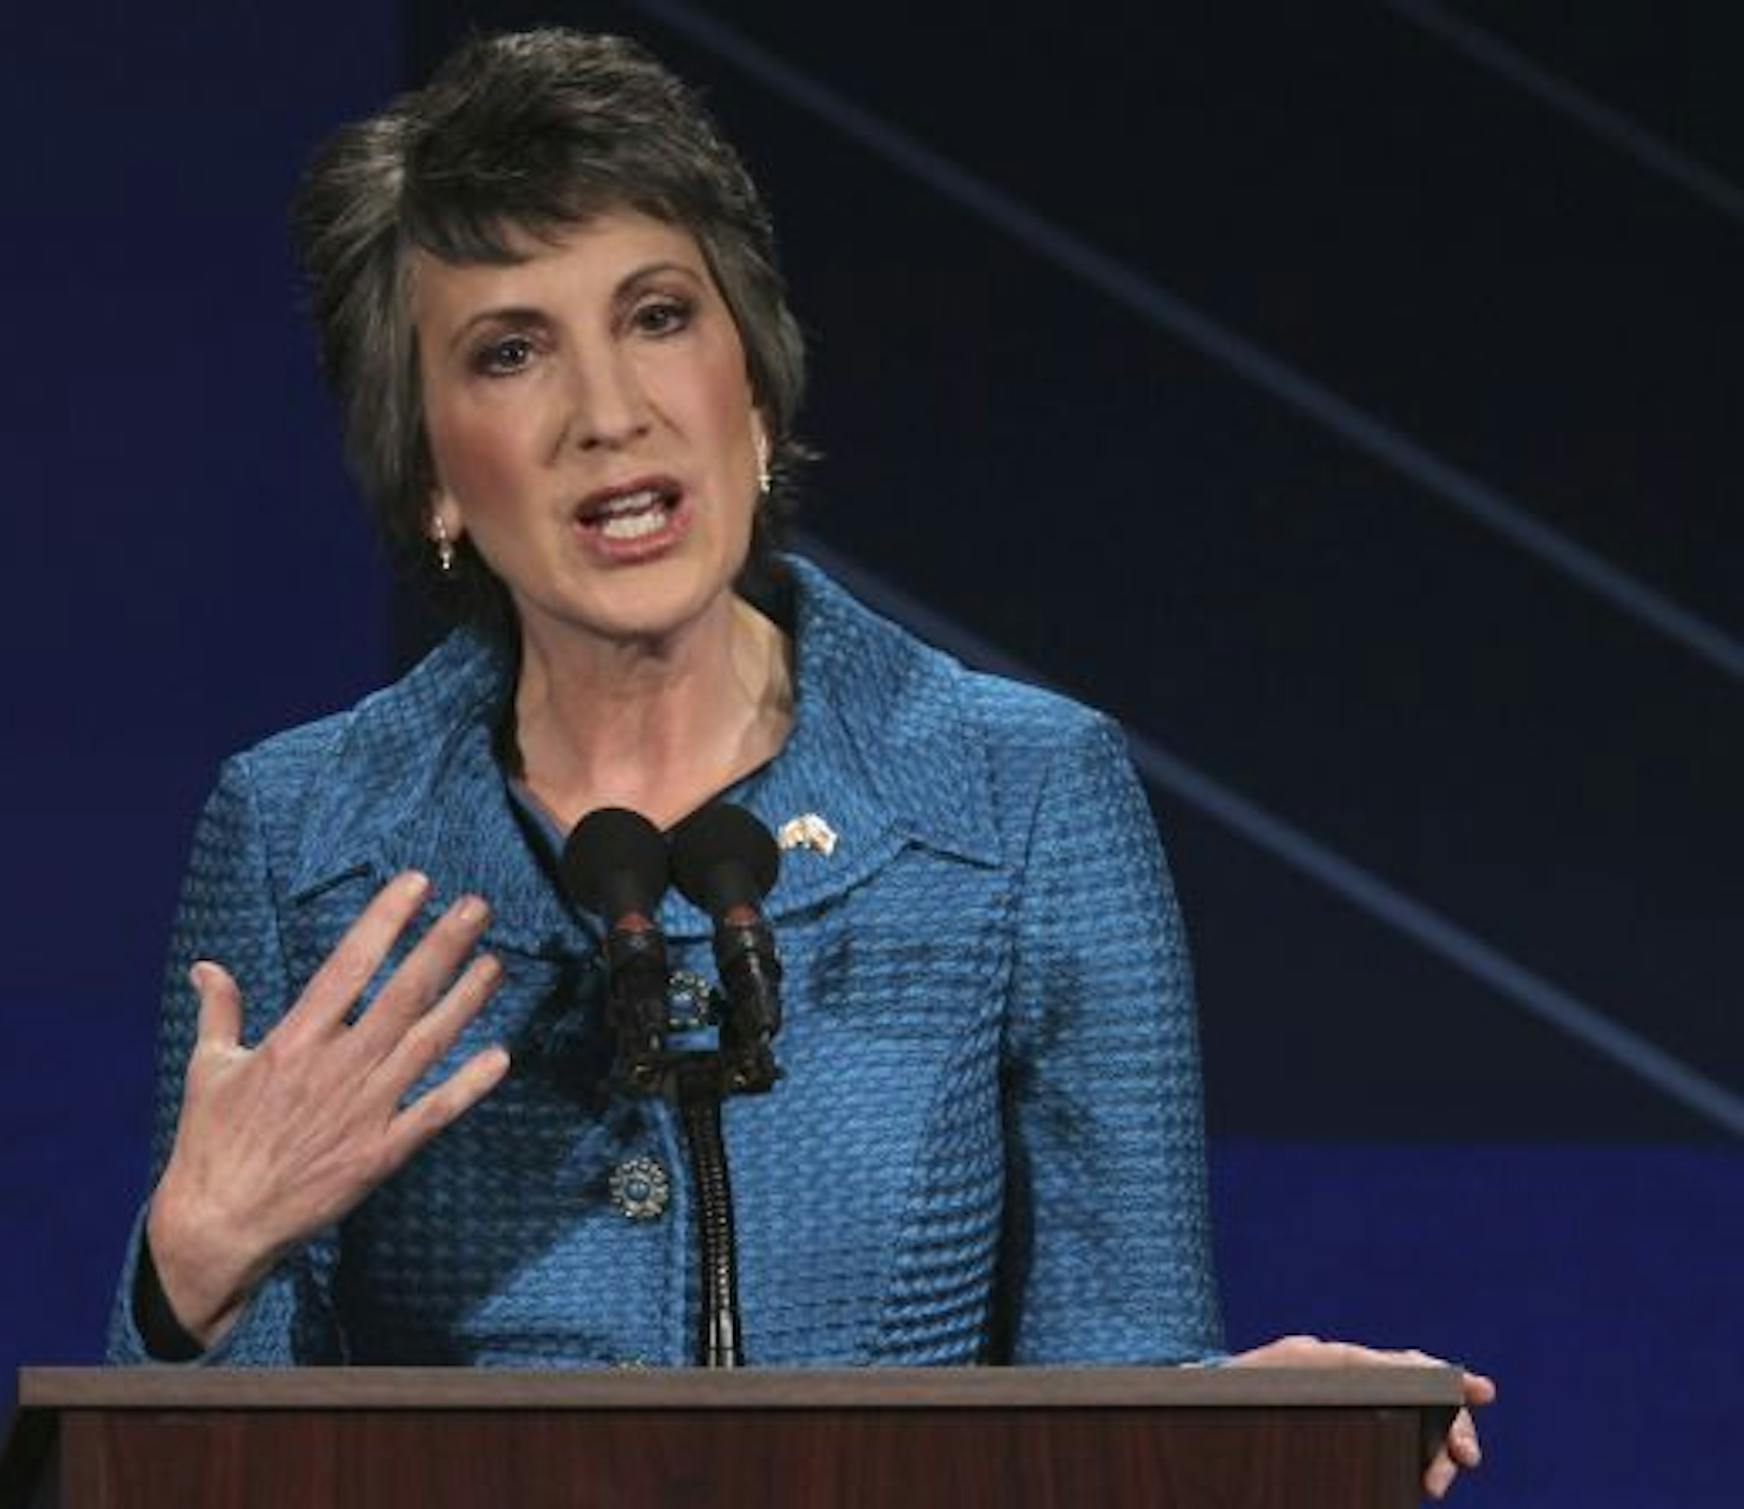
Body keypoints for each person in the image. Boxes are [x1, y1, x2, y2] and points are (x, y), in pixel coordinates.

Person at [106, 28, 1492, 1498]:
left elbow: (1117, 1384)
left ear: (754, 390)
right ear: (433, 468)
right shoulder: (301, 831)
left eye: (657, 316)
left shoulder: (1024, 798)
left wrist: (1234, 1434)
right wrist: (186, 1278)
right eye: (510, 351)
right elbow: (191, 1465)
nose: (608, 411)